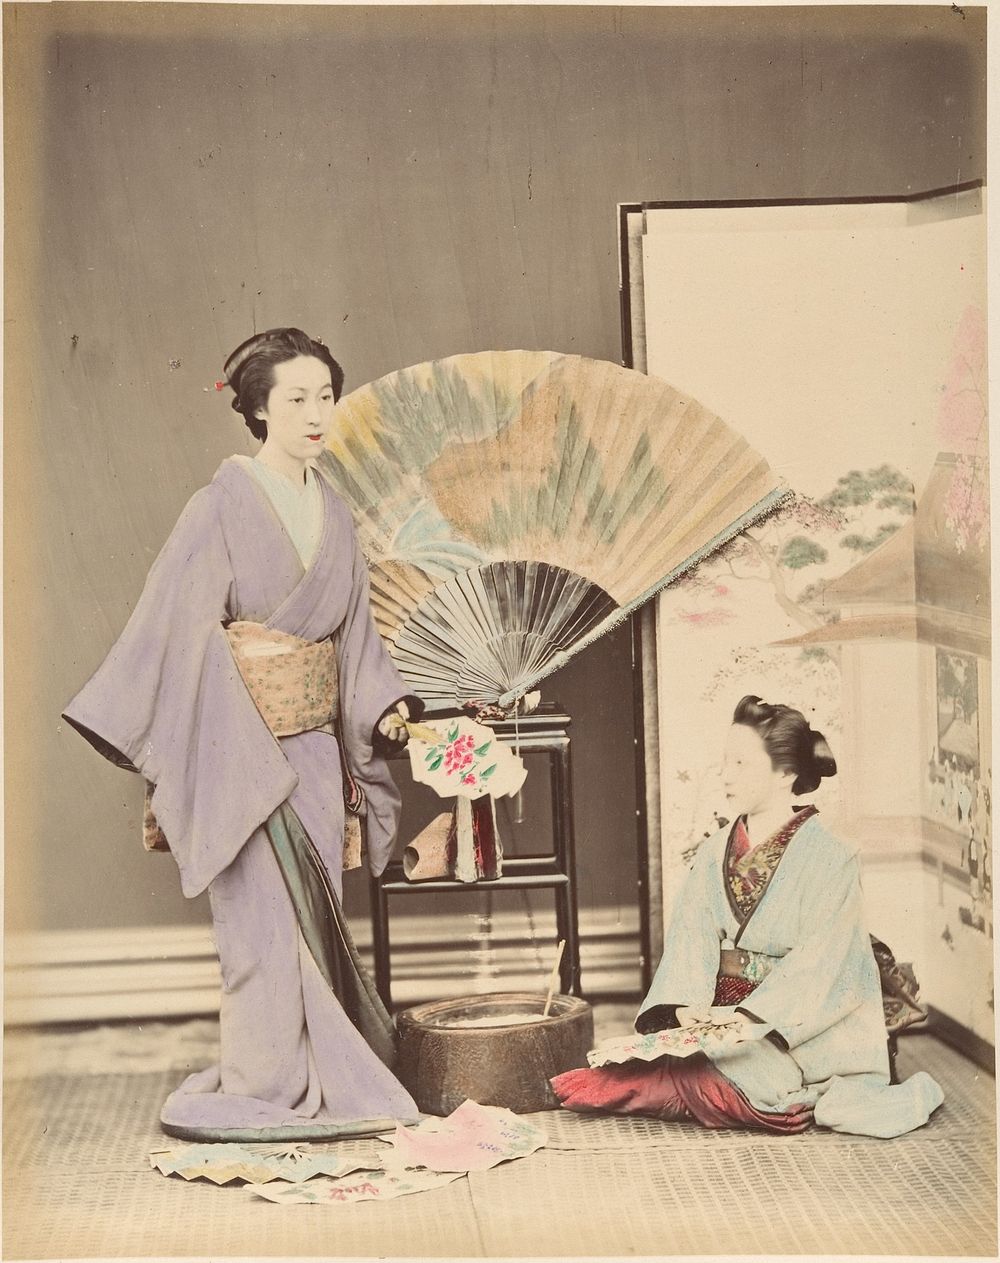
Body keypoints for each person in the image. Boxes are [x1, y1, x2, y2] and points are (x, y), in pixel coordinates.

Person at [63, 327, 423, 1141]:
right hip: (237, 748)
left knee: (317, 917)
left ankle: (327, 1075)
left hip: (314, 756)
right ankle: (265, 1081)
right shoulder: (218, 504)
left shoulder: (334, 512)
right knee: (260, 930)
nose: (315, 412)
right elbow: (176, 628)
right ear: (257, 408)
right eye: (296, 398)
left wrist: (386, 709)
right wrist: (238, 714)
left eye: (325, 395)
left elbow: (356, 640)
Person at [551, 695, 944, 1138]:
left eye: (740, 763)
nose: (726, 774)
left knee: (744, 1084)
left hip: (796, 1028)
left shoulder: (832, 857)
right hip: (719, 1016)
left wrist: (751, 1019)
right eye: (725, 762)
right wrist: (684, 1011)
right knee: (635, 1069)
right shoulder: (715, 850)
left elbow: (824, 962)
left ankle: (772, 1091)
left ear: (787, 774)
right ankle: (702, 1079)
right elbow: (691, 940)